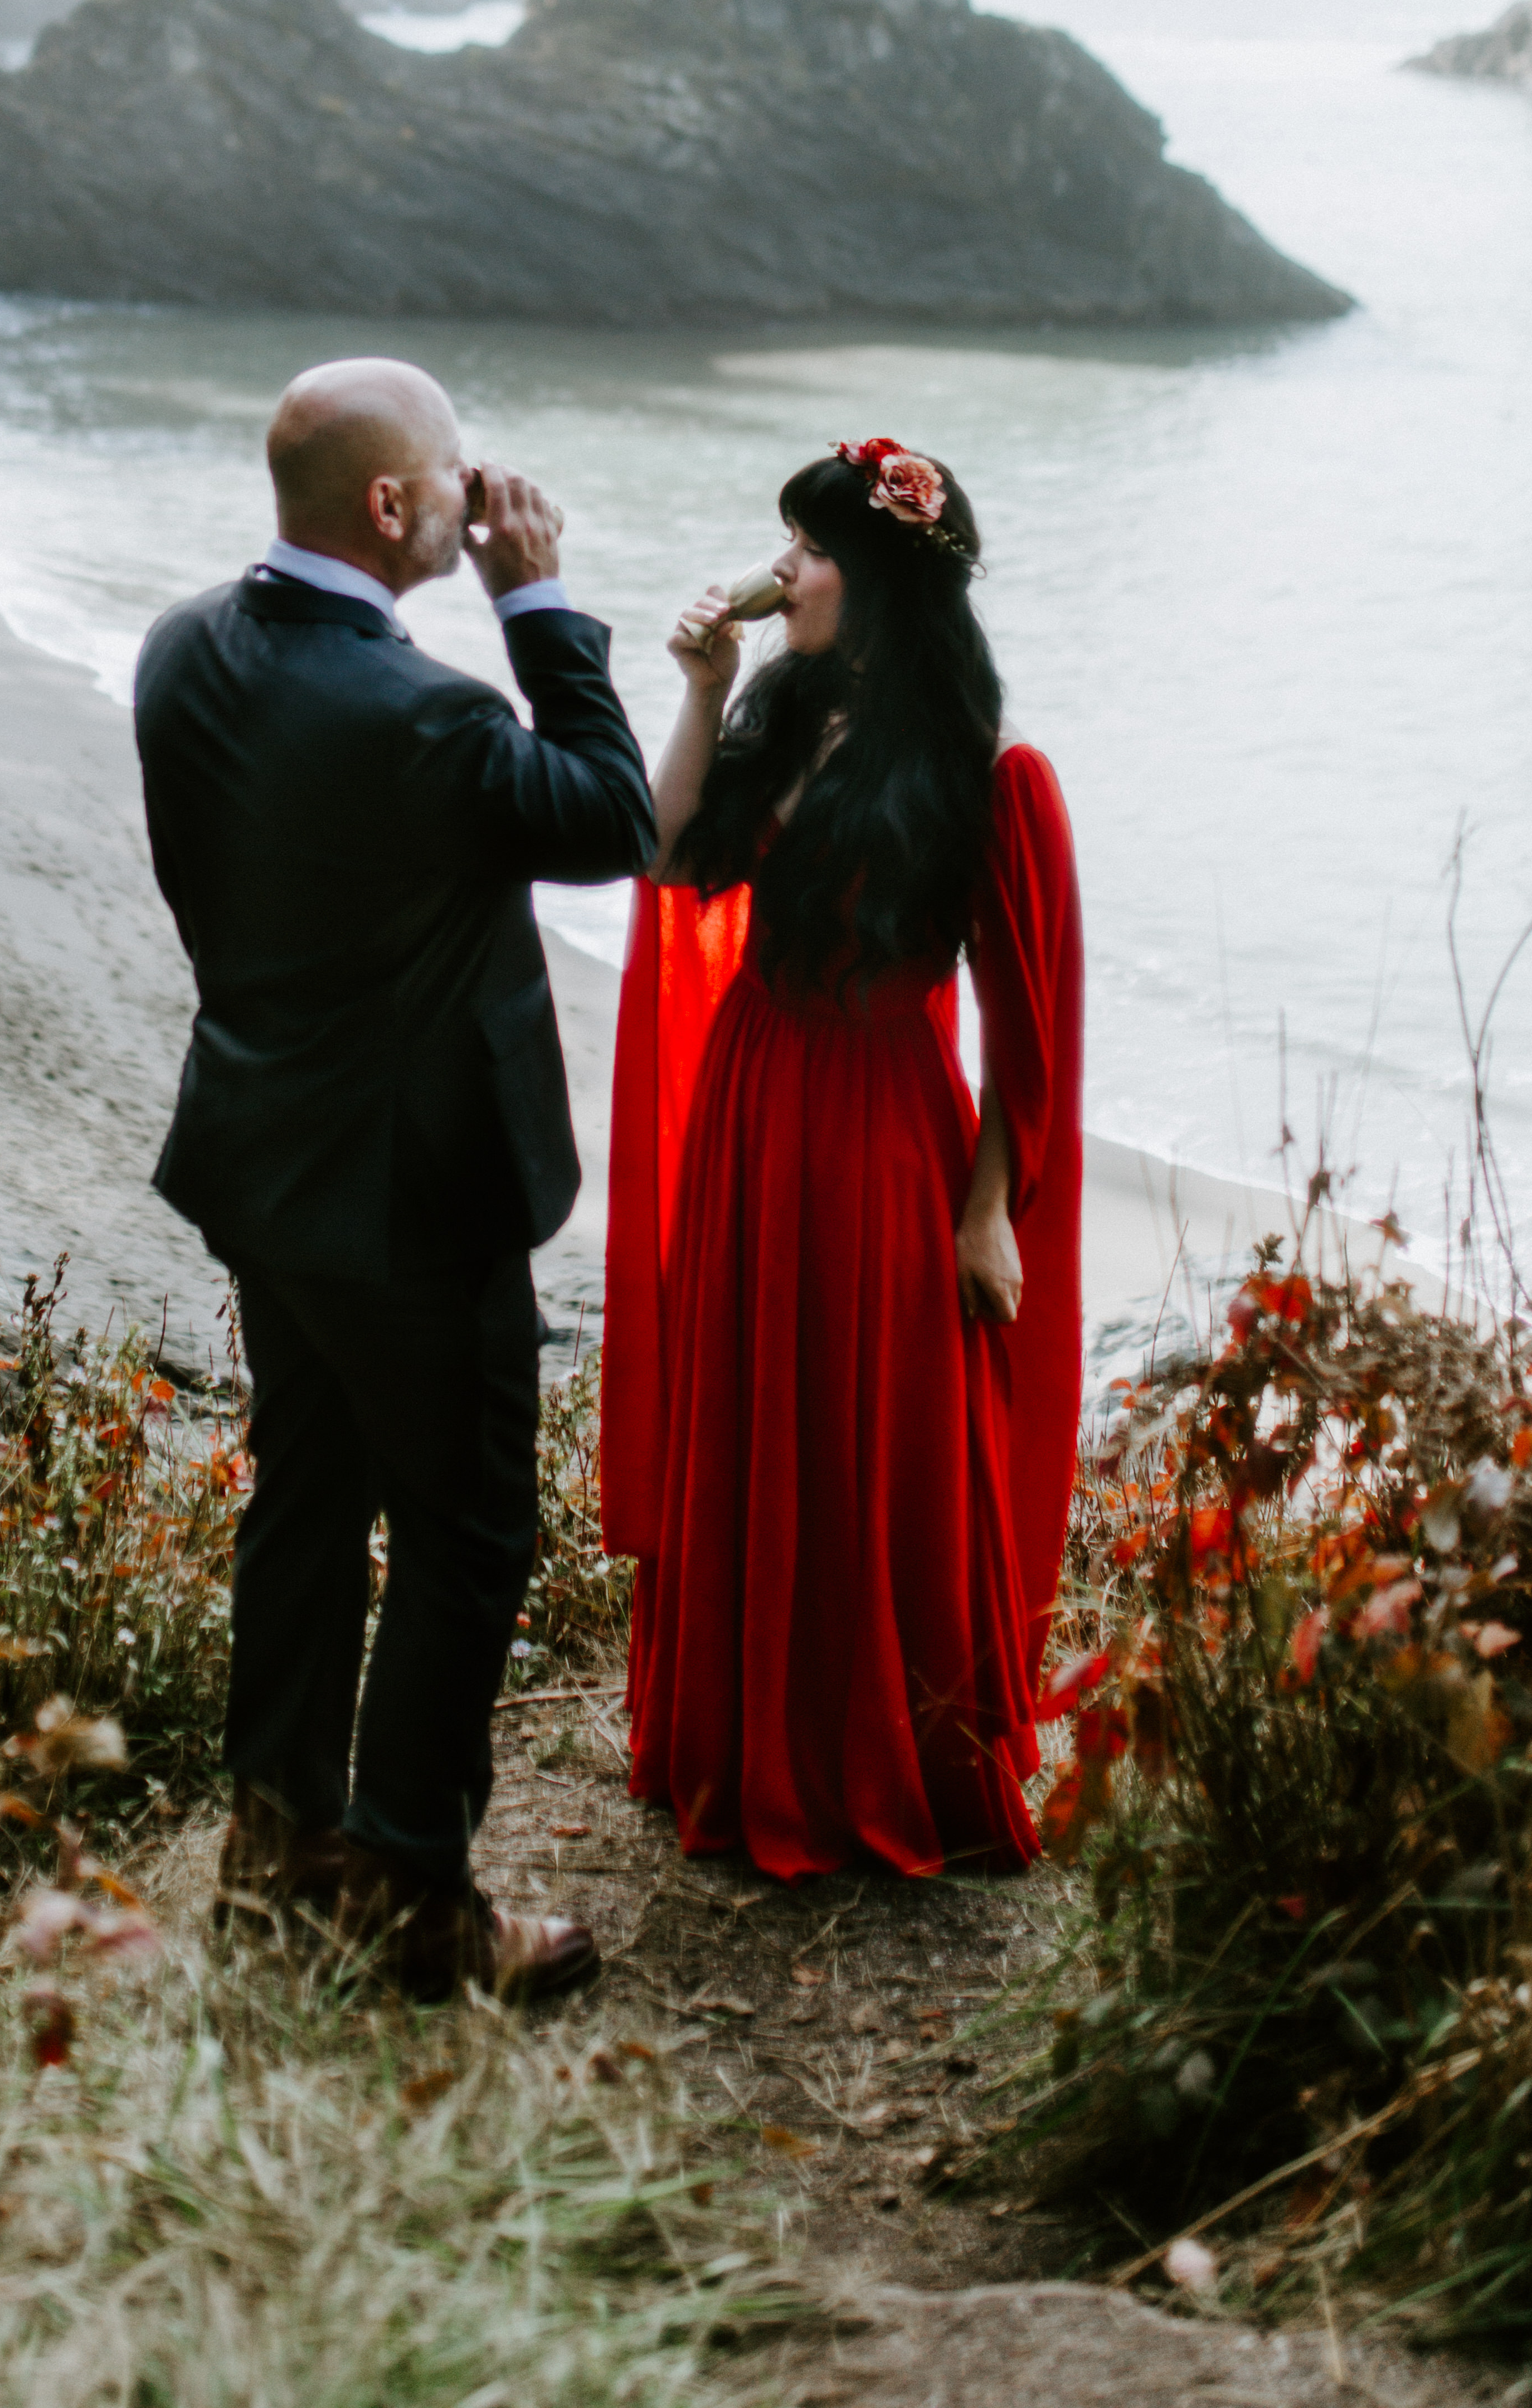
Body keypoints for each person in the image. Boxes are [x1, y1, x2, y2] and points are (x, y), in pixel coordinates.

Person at [135, 355, 656, 1996]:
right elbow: (614, 815)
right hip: (417, 1205)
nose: (473, 490)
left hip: (262, 1164)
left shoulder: (180, 652)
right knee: (464, 1535)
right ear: (389, 506)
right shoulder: (426, 714)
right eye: (452, 473)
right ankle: (416, 1899)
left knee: (305, 1505)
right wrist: (542, 601)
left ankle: (276, 1855)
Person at [599, 436, 1083, 1878]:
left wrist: (988, 1209)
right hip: (758, 1103)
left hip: (884, 1128)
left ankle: (884, 1755)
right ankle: (744, 1745)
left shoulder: (988, 777)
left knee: (871, 1432)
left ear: (868, 578)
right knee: (752, 1403)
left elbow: (1025, 1034)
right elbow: (674, 853)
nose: (785, 571)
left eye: (809, 549)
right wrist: (694, 695)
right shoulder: (777, 704)